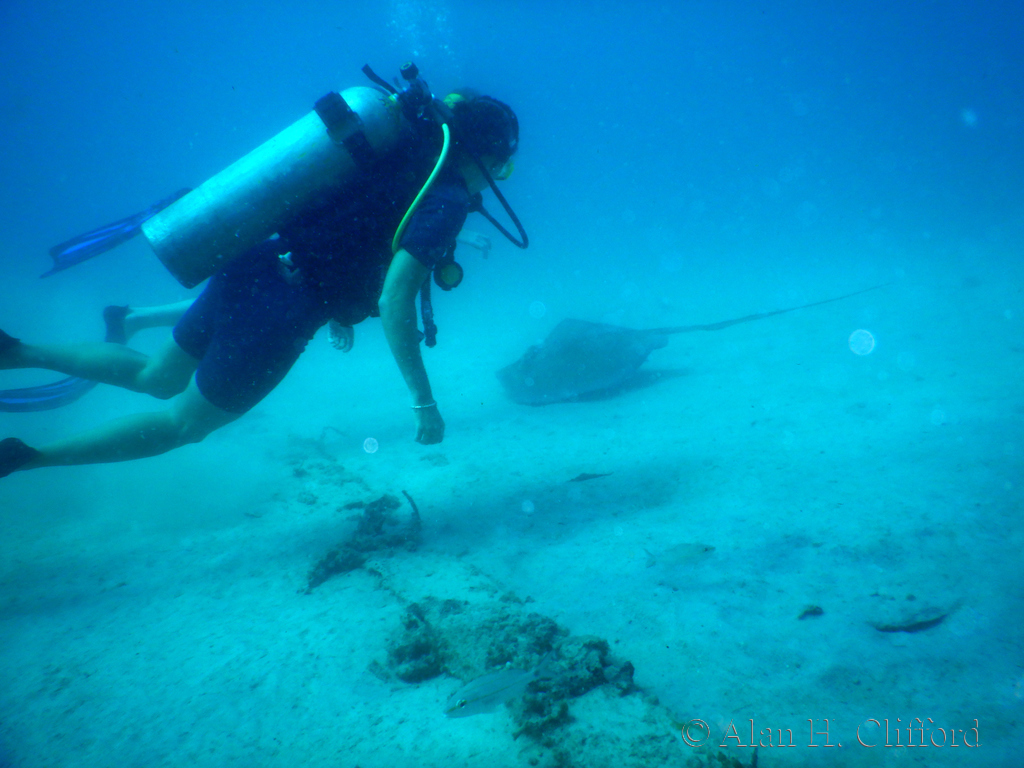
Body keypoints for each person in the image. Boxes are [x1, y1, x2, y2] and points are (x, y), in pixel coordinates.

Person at [0, 90, 520, 478]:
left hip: (253, 264)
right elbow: (396, 297)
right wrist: (423, 400)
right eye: (502, 168)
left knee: (156, 375)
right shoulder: (447, 197)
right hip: (283, 312)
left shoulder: (396, 148)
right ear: (487, 157)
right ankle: (26, 458)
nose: (497, 178)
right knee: (184, 424)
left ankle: (15, 352)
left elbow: (353, 228)